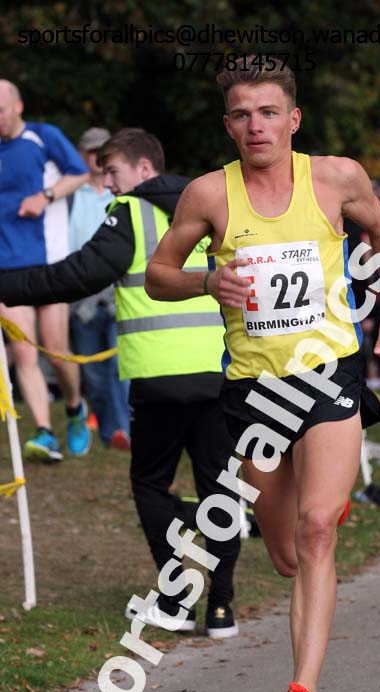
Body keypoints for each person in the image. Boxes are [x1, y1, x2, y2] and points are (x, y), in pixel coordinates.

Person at [145, 57, 380, 692]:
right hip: (253, 393)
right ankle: (321, 501)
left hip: (328, 376)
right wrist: (207, 282)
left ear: (292, 119)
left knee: (318, 530)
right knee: (289, 553)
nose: (255, 125)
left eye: (268, 112)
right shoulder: (208, 195)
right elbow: (157, 275)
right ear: (227, 124)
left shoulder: (335, 178)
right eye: (241, 113)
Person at [0, 128, 241, 638]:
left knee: (150, 484)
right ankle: (222, 608)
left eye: (112, 172)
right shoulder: (216, 207)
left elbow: (73, 276)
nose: (107, 184)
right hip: (222, 370)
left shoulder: (131, 213)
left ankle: (176, 603)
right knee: (219, 488)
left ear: (143, 170)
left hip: (159, 375)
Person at [0, 79, 90, 461]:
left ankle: (74, 408)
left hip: (50, 263)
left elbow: (81, 173)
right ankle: (44, 431)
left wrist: (46, 196)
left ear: (18, 105)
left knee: (56, 352)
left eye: (0, 111)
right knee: (24, 354)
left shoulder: (43, 137)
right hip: (7, 266)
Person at [68, 126, 130, 450]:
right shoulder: (69, 195)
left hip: (118, 287)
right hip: (82, 294)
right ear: (81, 155)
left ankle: (123, 430)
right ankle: (109, 430)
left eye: (101, 152)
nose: (96, 158)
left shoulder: (121, 190)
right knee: (92, 369)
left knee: (122, 365)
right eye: (90, 151)